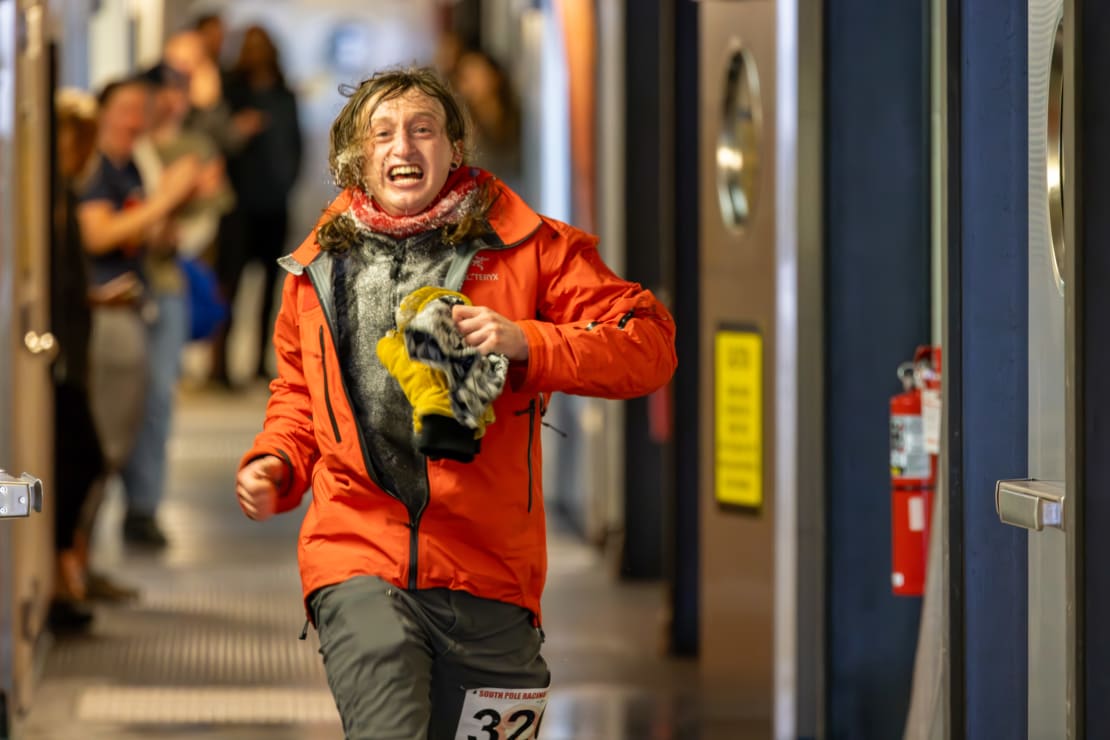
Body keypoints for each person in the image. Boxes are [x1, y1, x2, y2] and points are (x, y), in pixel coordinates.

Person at [234, 67, 676, 738]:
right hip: (357, 554)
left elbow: (647, 347)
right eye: (382, 133)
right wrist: (276, 461)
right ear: (358, 158)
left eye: (422, 130)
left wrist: (526, 342)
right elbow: (298, 396)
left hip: (492, 576)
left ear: (454, 148)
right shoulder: (317, 269)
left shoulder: (529, 248)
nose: (402, 148)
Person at [77, 75, 201, 546]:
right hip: (102, 312)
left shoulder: (133, 168)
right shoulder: (95, 171)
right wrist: (164, 200)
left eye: (141, 109)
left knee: (146, 410)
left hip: (138, 304)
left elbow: (143, 233)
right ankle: (79, 546)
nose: (134, 119)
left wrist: (172, 210)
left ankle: (133, 513)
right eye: (124, 108)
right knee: (106, 424)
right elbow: (99, 234)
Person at [209, 24, 302, 385]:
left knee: (271, 287)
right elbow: (219, 141)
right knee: (230, 282)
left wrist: (286, 183)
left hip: (274, 202)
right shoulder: (232, 93)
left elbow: (295, 145)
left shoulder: (283, 95)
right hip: (238, 204)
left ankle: (262, 361)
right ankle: (222, 365)